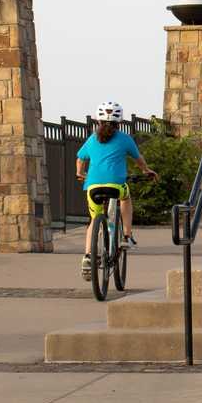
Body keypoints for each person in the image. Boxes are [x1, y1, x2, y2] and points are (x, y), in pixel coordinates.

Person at [76, 101, 157, 282]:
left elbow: (80, 159)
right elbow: (138, 159)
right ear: (119, 122)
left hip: (93, 187)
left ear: (98, 121)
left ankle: (88, 257)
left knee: (93, 222)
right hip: (116, 186)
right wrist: (146, 170)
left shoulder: (91, 139)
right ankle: (127, 236)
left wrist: (80, 173)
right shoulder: (125, 139)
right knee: (126, 197)